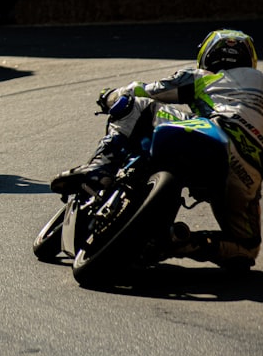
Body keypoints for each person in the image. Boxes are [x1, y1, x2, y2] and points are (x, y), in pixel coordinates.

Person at [51, 29, 263, 271]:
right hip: (248, 168)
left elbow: (144, 91)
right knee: (247, 247)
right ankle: (178, 241)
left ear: (208, 54)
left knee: (137, 105)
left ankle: (102, 167)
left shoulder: (203, 76)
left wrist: (109, 96)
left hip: (214, 131)